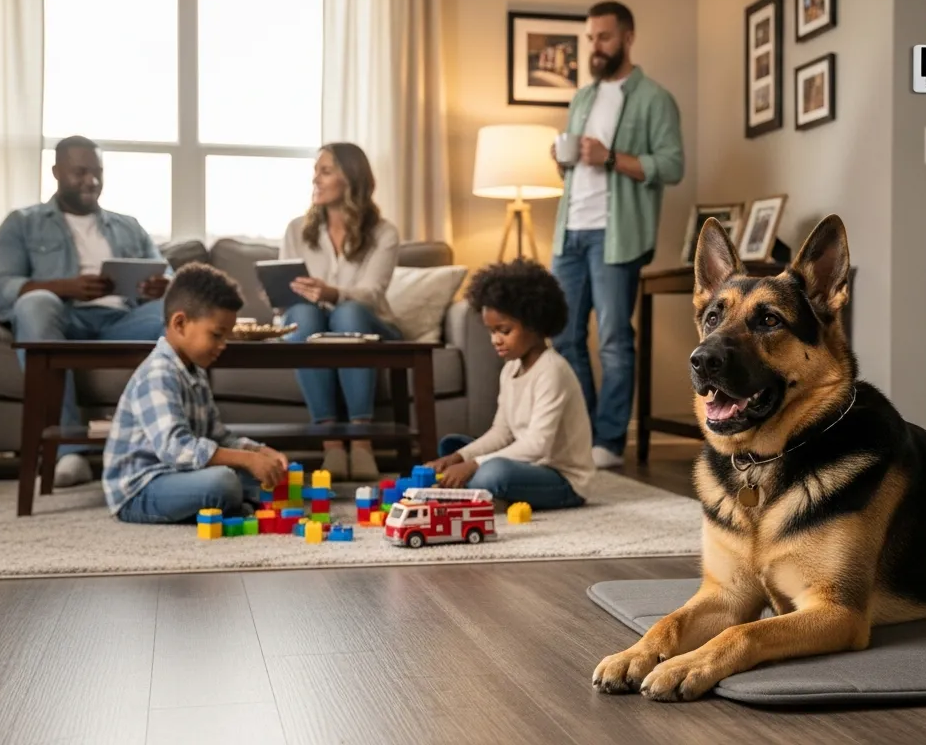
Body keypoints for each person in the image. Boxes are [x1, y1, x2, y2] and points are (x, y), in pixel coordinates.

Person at [0, 135, 171, 488]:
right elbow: (1, 287)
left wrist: (158, 286)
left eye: (98, 172)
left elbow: (169, 276)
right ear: (56, 172)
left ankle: (171, 444)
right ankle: (67, 452)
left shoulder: (128, 226)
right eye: (81, 172)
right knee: (35, 302)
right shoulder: (23, 223)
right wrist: (65, 287)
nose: (92, 181)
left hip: (122, 321)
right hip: (62, 319)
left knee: (179, 310)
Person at [550, 0, 685, 471]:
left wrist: (610, 157)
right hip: (570, 232)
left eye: (604, 37)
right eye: (590, 37)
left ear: (627, 37)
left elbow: (671, 165)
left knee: (611, 340)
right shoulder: (583, 98)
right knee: (563, 338)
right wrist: (563, 158)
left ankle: (608, 440)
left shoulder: (654, 99)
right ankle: (581, 433)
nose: (595, 46)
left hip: (616, 235)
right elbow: (580, 166)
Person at [102, 264, 289, 524]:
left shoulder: (195, 372)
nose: (223, 346)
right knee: (223, 482)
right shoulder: (158, 373)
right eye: (216, 335)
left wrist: (259, 451)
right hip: (141, 489)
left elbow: (218, 436)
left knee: (257, 475)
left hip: (179, 475)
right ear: (180, 323)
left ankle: (236, 503)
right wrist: (247, 459)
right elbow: (176, 449)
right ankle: (235, 504)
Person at [279, 143, 403, 482]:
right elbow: (282, 291)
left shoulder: (383, 232)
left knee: (347, 314)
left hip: (370, 324)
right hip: (311, 323)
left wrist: (334, 293)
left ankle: (361, 443)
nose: (315, 179)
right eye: (315, 171)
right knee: (303, 317)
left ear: (350, 177)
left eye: (325, 171)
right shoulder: (296, 230)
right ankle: (331, 444)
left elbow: (372, 292)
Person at [425, 260, 592, 510]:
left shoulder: (553, 371)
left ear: (535, 324)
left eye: (504, 330)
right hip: (526, 465)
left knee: (494, 473)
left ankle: (479, 488)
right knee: (452, 445)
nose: (495, 340)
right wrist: (458, 458)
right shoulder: (510, 369)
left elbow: (538, 445)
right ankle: (481, 489)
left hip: (561, 479)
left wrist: (474, 464)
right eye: (491, 332)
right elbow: (502, 432)